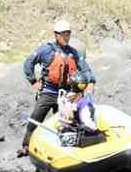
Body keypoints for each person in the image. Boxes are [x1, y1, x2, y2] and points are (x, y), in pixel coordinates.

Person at [18, 19, 95, 157]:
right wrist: (33, 81)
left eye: (68, 34)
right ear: (56, 35)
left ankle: (64, 149)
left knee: (67, 122)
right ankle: (26, 146)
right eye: (63, 34)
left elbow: (86, 70)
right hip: (48, 91)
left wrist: (91, 82)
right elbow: (28, 63)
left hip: (66, 94)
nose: (66, 37)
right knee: (36, 117)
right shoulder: (46, 50)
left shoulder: (74, 53)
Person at [57, 72, 105, 147]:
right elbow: (89, 126)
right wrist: (96, 131)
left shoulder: (65, 98)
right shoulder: (83, 104)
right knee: (101, 137)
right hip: (76, 135)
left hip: (68, 130)